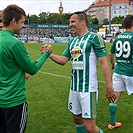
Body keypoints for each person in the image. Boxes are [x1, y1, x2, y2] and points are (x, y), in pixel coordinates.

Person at [42, 11, 116, 133]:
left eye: (72, 21)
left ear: (82, 22)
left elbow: (104, 62)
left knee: (90, 127)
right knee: (77, 119)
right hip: (74, 88)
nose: (70, 25)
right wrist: (49, 54)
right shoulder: (72, 41)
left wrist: (109, 86)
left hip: (88, 88)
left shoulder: (94, 38)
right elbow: (63, 60)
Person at [0, 4, 52, 133]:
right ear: (13, 21)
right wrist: (47, 53)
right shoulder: (14, 43)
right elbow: (32, 69)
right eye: (22, 22)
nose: (23, 26)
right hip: (14, 100)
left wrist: (19, 73)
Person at [108, 15, 133, 130]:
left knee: (115, 98)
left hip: (118, 72)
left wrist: (113, 64)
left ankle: (112, 123)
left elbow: (110, 54)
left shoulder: (118, 37)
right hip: (130, 72)